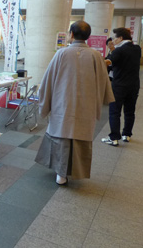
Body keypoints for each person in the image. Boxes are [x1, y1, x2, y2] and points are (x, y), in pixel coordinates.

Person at [35, 21, 114, 185]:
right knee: (79, 139)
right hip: (86, 107)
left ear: (71, 34)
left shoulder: (61, 54)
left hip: (62, 104)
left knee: (61, 139)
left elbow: (47, 81)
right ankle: (74, 172)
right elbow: (103, 82)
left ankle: (60, 173)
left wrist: (44, 102)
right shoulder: (95, 56)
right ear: (88, 36)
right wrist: (100, 100)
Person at [102, 27, 141, 146]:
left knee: (115, 111)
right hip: (134, 85)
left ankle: (114, 138)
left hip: (119, 85)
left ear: (120, 38)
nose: (113, 40)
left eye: (114, 38)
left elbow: (108, 62)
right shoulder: (137, 48)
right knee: (130, 111)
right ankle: (127, 135)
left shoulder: (119, 50)